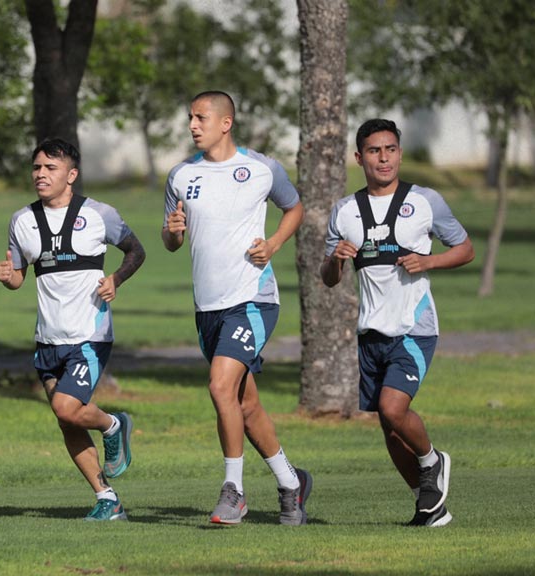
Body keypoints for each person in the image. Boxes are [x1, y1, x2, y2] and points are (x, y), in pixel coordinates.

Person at [163, 91, 312, 526]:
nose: (192, 124)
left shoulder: (262, 169)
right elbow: (171, 241)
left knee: (220, 387)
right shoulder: (180, 175)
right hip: (207, 308)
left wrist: (274, 244)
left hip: (252, 299)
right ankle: (290, 484)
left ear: (226, 123)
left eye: (201, 117)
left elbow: (295, 206)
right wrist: (172, 232)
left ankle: (234, 491)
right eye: (190, 117)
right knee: (244, 405)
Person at [320, 118, 474, 527]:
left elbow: (465, 248)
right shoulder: (345, 211)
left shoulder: (425, 202)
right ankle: (430, 508)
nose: (383, 158)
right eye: (374, 150)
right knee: (389, 430)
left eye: (390, 149)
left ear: (400, 154)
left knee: (393, 408)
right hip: (370, 331)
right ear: (359, 157)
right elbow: (329, 279)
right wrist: (336, 259)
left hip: (414, 326)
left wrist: (430, 260)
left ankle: (432, 460)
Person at [0, 138, 146, 521]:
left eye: (50, 168)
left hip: (89, 334)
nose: (41, 175)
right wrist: (8, 277)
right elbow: (18, 279)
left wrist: (116, 279)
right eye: (37, 168)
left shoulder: (99, 214)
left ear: (72, 175)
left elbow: (136, 251)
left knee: (67, 407)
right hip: (48, 338)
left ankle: (115, 424)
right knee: (66, 420)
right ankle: (107, 499)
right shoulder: (21, 221)